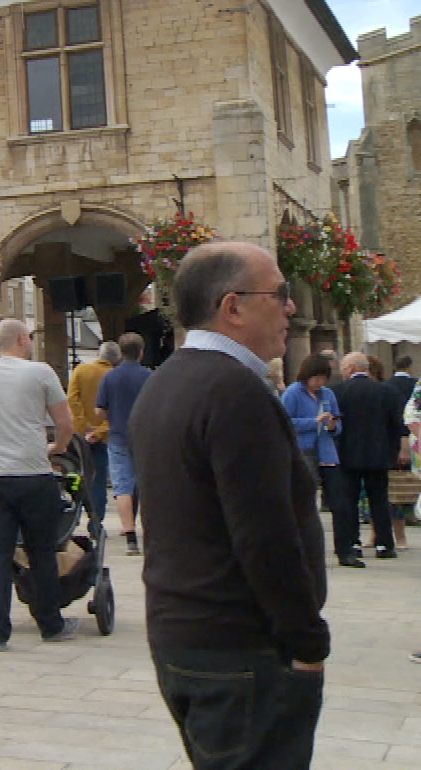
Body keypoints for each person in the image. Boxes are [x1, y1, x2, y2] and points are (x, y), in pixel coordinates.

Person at [132, 241, 327, 768]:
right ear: (233, 306)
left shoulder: (165, 382)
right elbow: (265, 535)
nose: (291, 307)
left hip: (185, 634)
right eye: (280, 294)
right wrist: (308, 641)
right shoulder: (234, 391)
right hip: (239, 646)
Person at [0, 319, 76, 648]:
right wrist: (57, 447)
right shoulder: (40, 373)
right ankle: (50, 624)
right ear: (23, 339)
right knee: (42, 552)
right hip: (33, 473)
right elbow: (64, 422)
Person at [332, 351, 406, 562]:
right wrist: (393, 452)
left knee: (349, 500)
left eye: (343, 368)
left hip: (347, 455)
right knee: (379, 500)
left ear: (351, 368)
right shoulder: (387, 391)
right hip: (379, 455)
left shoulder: (338, 391)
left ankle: (353, 543)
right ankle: (384, 544)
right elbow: (396, 425)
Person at [93, 332, 152, 555]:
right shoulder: (149, 376)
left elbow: (99, 411)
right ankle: (151, 533)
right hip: (144, 438)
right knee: (146, 485)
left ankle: (130, 538)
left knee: (122, 487)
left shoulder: (109, 377)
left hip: (118, 437)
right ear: (141, 352)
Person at [66, 342, 115, 500]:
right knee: (99, 479)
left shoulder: (80, 370)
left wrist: (83, 425)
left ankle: (76, 505)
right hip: (103, 437)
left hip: (79, 435)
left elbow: (72, 399)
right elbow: (116, 409)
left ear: (98, 355)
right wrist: (99, 431)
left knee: (76, 474)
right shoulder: (114, 376)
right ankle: (97, 514)